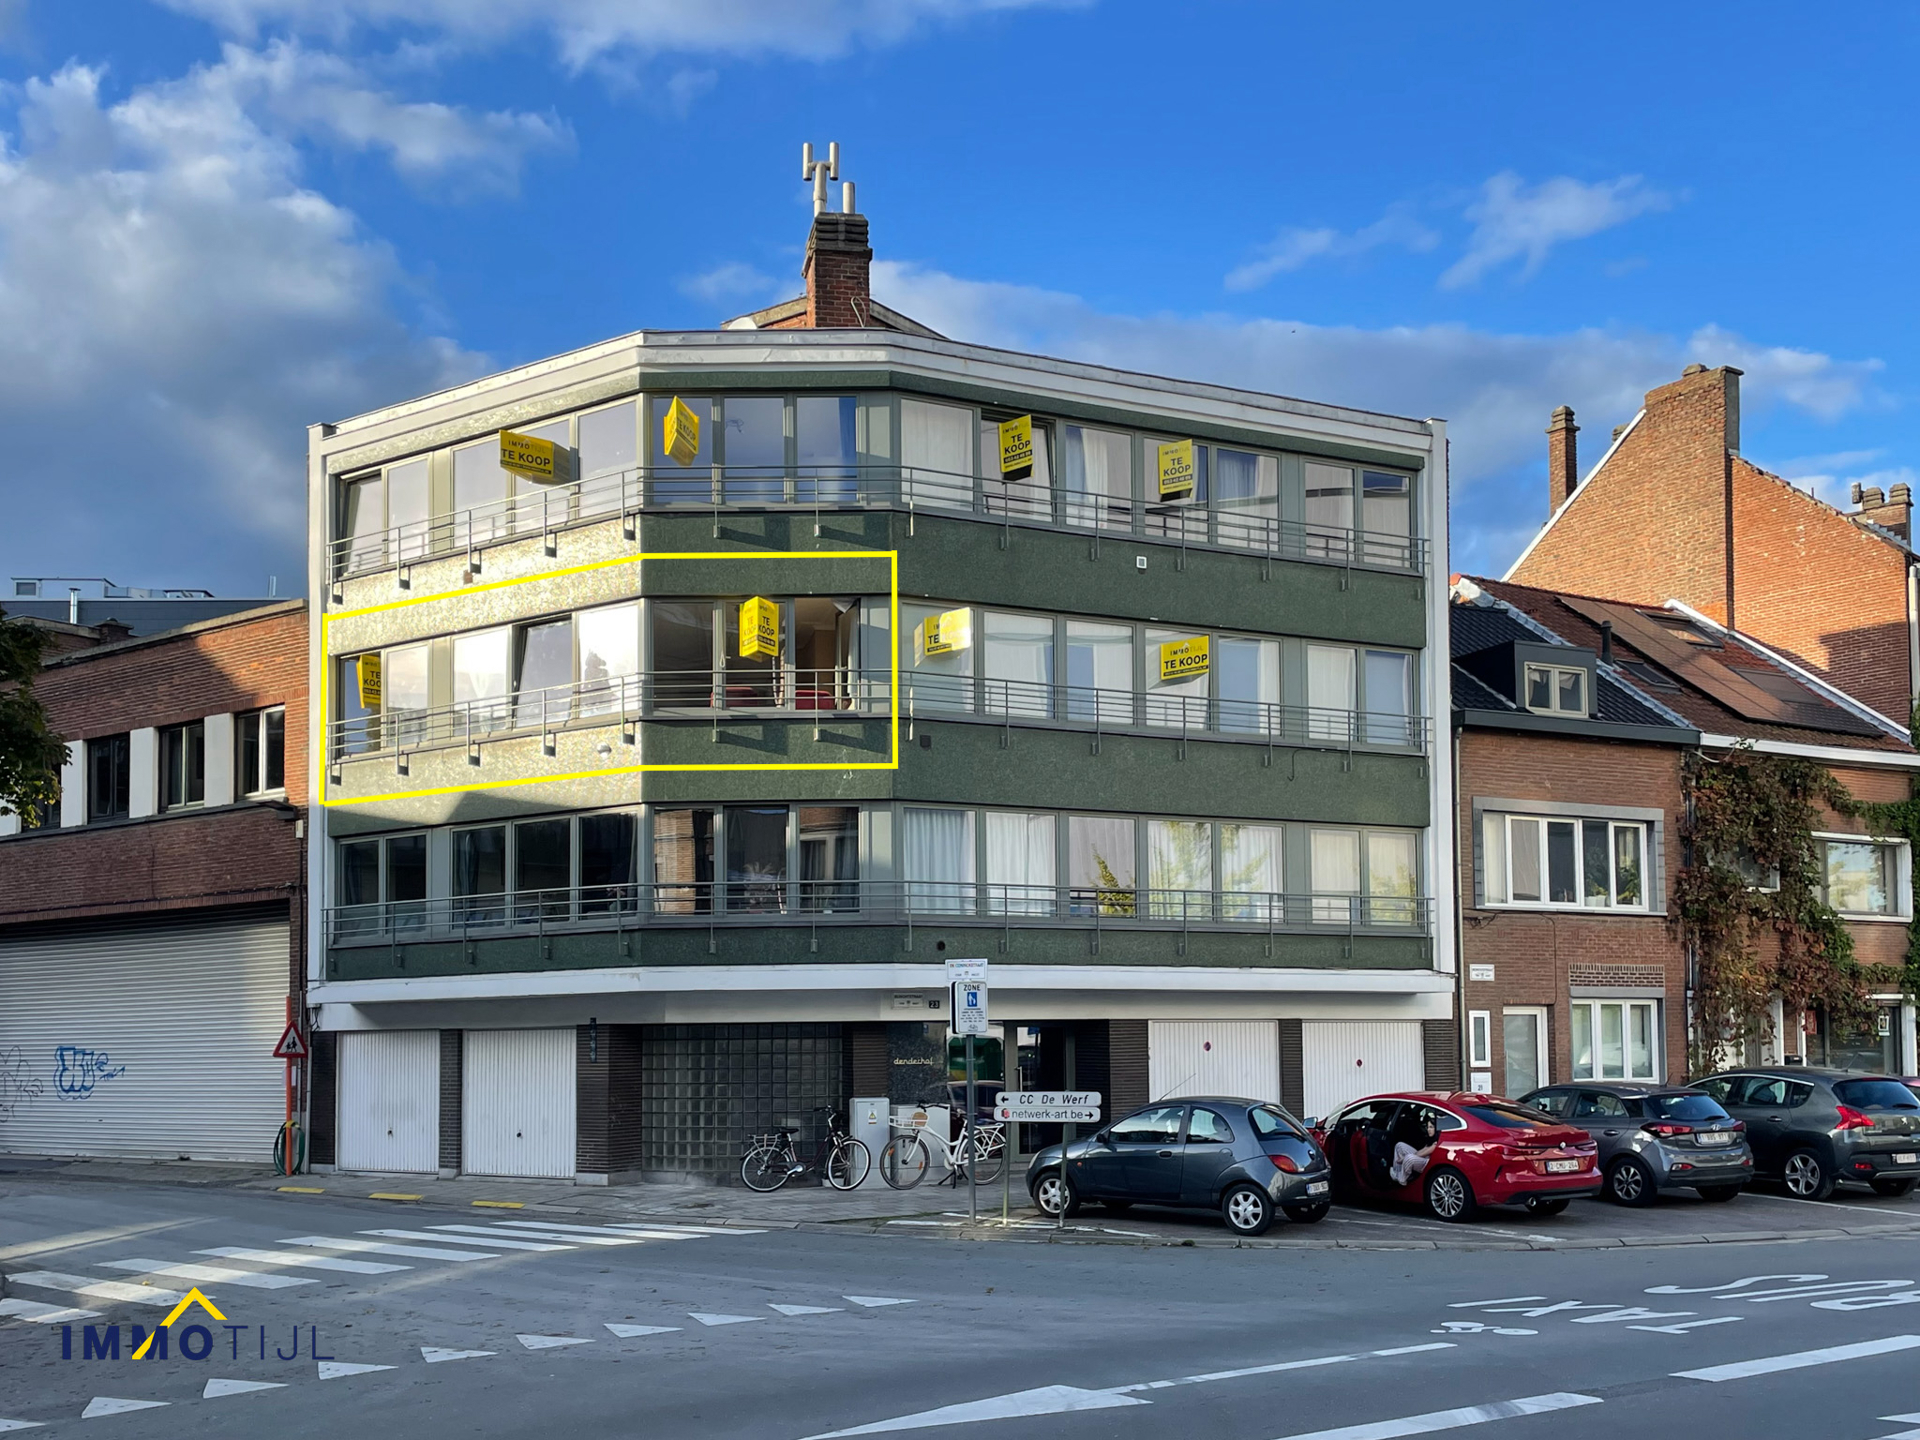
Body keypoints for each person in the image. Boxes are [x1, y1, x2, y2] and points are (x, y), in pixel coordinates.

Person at [1390, 1111, 1438, 1187]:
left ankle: (1402, 1179)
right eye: (1428, 1127)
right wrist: (1412, 1154)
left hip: (1427, 1162)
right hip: (1422, 1158)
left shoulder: (1436, 1142)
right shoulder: (1431, 1139)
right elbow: (1422, 1150)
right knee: (1399, 1146)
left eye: (1431, 1127)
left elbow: (1423, 1154)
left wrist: (1404, 1158)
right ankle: (1397, 1172)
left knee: (1409, 1158)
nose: (1428, 1129)